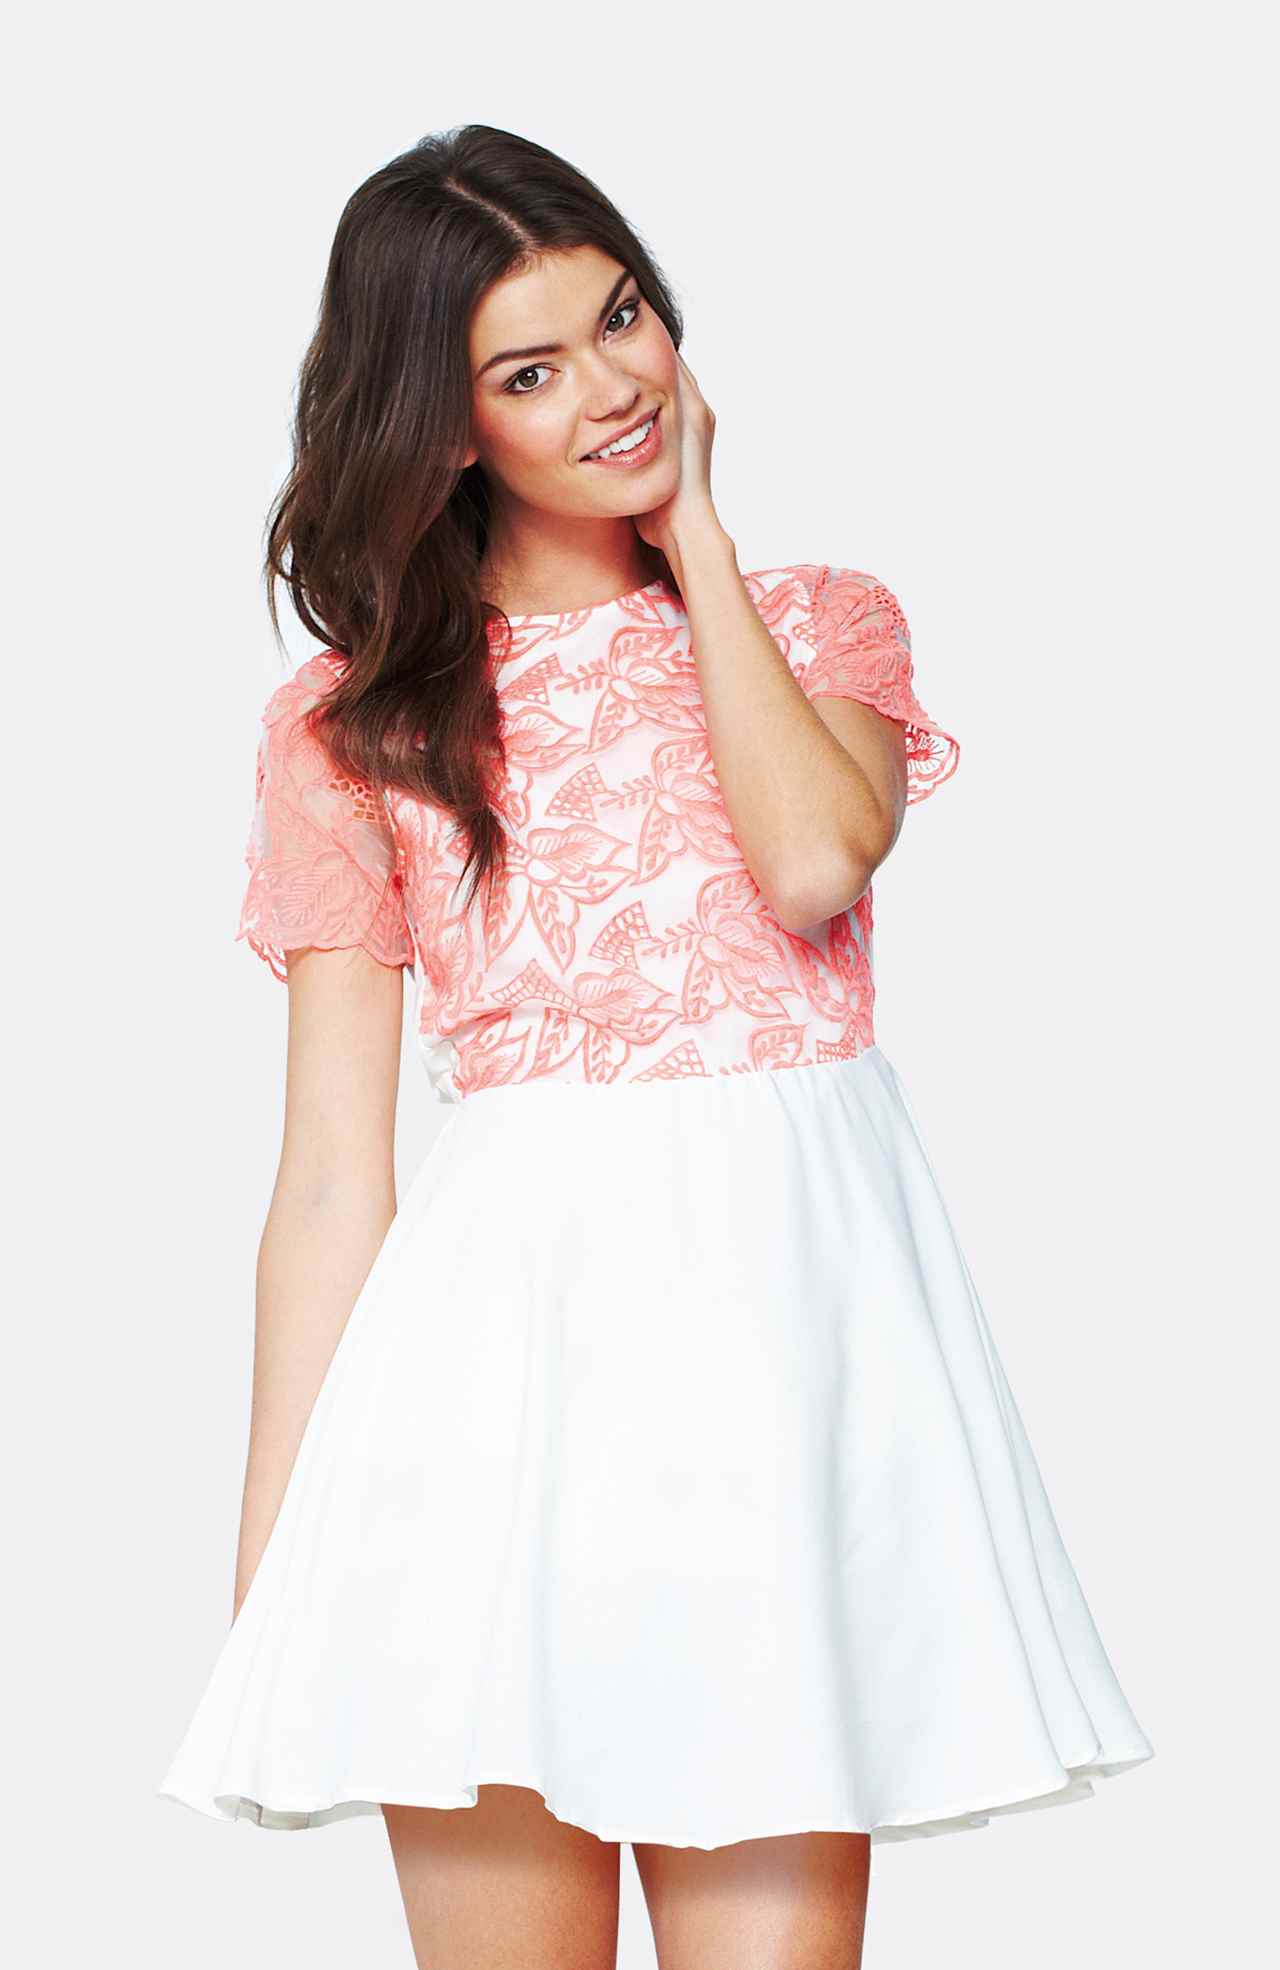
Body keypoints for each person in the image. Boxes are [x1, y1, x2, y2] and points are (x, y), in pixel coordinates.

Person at [156, 124, 1155, 1969]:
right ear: (449, 429)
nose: (613, 386)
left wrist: (696, 536)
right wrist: (279, 1566)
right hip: (490, 1408)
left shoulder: (819, 622)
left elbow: (813, 857)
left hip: (780, 1391)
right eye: (529, 371)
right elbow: (327, 1178)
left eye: (621, 318)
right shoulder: (352, 725)